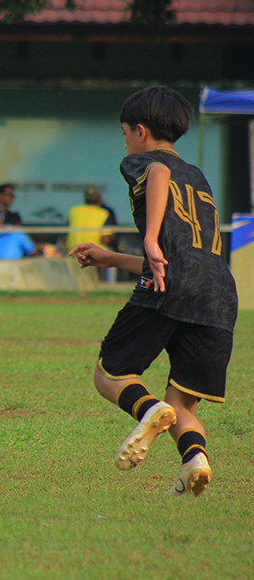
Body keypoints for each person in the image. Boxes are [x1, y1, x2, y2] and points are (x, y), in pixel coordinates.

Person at [69, 85, 237, 498]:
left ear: (140, 131)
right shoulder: (197, 177)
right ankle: (195, 461)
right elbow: (184, 253)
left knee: (110, 374)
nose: (124, 140)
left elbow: (158, 175)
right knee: (183, 403)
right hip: (217, 293)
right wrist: (112, 258)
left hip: (169, 286)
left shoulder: (145, 162)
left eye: (125, 131)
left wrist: (147, 239)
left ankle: (147, 410)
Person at [68, 185, 118, 282]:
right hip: (94, 250)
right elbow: (105, 239)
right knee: (113, 258)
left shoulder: (74, 211)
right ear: (100, 200)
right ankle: (109, 285)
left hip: (73, 250)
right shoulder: (104, 213)